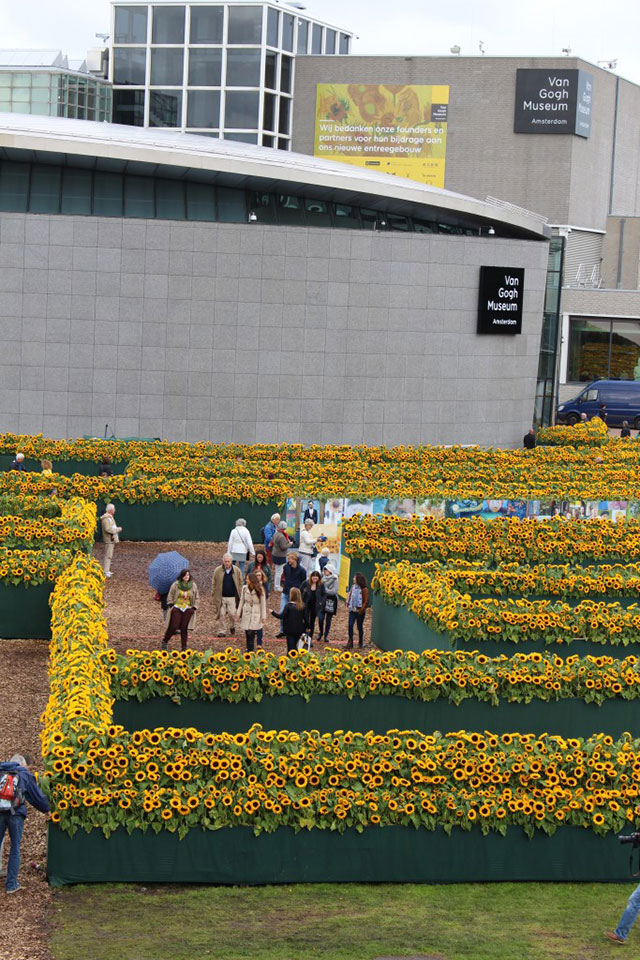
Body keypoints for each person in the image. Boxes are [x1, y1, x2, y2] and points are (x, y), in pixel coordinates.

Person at [0, 753, 50, 894]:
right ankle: (11, 885)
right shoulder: (23, 774)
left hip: (0, 811)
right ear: (22, 764)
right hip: (16, 814)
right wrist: (46, 809)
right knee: (15, 848)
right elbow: (35, 796)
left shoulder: (2, 770)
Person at [162, 569, 199, 651]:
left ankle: (184, 647)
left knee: (184, 628)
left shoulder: (193, 585)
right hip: (177, 607)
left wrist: (194, 607)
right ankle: (165, 641)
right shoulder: (176, 584)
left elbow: (197, 597)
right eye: (185, 575)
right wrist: (171, 604)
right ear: (182, 576)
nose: (186, 577)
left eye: (188, 575)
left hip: (188, 608)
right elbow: (170, 595)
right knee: (174, 626)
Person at [212, 553, 243, 637]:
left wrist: (240, 592)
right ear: (223, 561)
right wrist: (214, 593)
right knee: (221, 614)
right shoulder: (218, 570)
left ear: (231, 561)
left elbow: (240, 581)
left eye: (228, 561)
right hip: (221, 596)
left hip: (232, 596)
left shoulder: (236, 570)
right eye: (225, 561)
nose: (227, 563)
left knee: (232, 614)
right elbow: (214, 582)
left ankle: (232, 626)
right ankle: (222, 631)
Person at [236, 572, 267, 653]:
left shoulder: (260, 589)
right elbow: (241, 601)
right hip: (246, 612)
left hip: (255, 612)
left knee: (251, 632)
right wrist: (238, 613)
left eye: (247, 579)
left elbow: (263, 604)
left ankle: (250, 650)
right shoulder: (244, 588)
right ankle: (249, 648)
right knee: (247, 631)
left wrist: (263, 617)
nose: (246, 580)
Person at [271, 586, 308, 655]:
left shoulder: (288, 606)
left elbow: (281, 616)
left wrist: (273, 612)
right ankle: (294, 658)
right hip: (299, 629)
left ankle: (292, 659)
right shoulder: (302, 606)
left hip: (289, 630)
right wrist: (306, 628)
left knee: (291, 647)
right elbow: (306, 619)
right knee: (294, 645)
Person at [277, 552, 307, 635]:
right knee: (283, 611)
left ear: (294, 559)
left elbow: (303, 582)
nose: (288, 560)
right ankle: (282, 630)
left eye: (290, 558)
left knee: (296, 613)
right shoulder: (286, 567)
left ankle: (295, 629)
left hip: (295, 595)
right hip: (286, 592)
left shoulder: (302, 570)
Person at [346, 573, 370, 649]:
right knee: (350, 625)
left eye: (354, 578)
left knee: (359, 627)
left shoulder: (364, 589)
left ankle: (360, 642)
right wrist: (348, 602)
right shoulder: (353, 587)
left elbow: (366, 601)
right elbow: (350, 595)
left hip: (360, 611)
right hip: (352, 610)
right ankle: (350, 642)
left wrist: (361, 610)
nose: (353, 579)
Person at [301, 569, 326, 641]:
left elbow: (324, 594)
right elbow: (300, 590)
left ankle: (310, 638)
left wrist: (321, 602)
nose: (315, 579)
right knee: (305, 620)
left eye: (316, 578)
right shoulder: (306, 583)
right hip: (306, 604)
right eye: (313, 577)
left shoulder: (321, 585)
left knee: (312, 621)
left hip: (315, 605)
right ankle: (304, 636)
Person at [100, 503, 122, 578]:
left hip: (111, 539)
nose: (114, 510)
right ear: (111, 510)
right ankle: (105, 571)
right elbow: (108, 529)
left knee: (109, 555)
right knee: (108, 555)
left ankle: (107, 570)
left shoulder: (110, 517)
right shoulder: (106, 519)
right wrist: (117, 529)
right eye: (114, 509)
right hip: (108, 539)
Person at [319, 562, 339, 642]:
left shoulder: (335, 579)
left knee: (328, 619)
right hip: (323, 600)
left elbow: (334, 591)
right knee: (320, 618)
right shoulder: (322, 578)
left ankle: (326, 635)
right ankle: (321, 632)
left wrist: (324, 590)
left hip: (331, 600)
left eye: (326, 570)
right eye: (324, 570)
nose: (325, 571)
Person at [272, 520, 293, 592]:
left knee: (277, 570)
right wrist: (290, 544)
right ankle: (277, 586)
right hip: (280, 555)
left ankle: (276, 585)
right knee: (279, 572)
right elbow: (283, 547)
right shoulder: (281, 536)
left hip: (275, 554)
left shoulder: (276, 534)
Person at [252, 568, 269, 648]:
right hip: (252, 606)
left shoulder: (264, 584)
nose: (258, 577)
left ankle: (259, 643)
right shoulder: (251, 584)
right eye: (257, 575)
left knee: (260, 624)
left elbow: (267, 595)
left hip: (260, 606)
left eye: (259, 575)